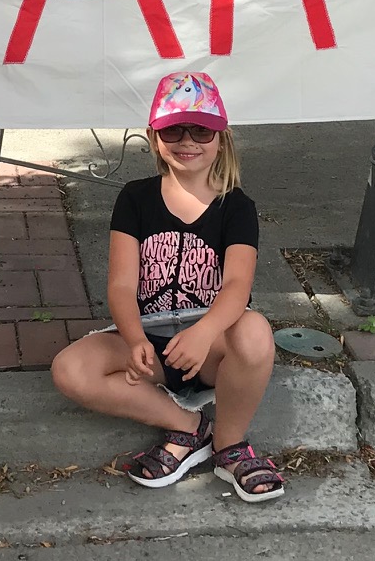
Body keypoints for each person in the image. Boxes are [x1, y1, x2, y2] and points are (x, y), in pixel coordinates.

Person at [50, 72, 285, 502]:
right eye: (173, 128)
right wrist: (135, 337)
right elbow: (121, 285)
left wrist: (206, 332)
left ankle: (230, 446)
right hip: (151, 344)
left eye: (201, 128)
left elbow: (236, 284)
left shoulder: (236, 205)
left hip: (212, 348)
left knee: (254, 331)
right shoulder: (135, 198)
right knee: (71, 369)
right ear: (153, 135)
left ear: (221, 136)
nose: (187, 140)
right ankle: (190, 429)